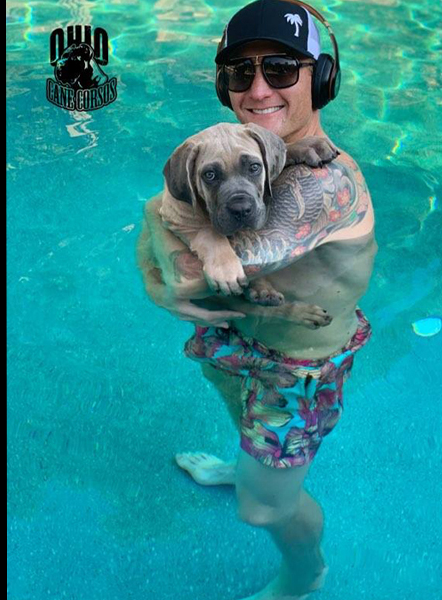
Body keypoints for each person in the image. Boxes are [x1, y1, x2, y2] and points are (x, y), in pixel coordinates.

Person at [136, 1, 377, 598]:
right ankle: (244, 463)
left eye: (281, 68)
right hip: (238, 334)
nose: (259, 88)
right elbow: (160, 211)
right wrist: (155, 245)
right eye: (241, 73)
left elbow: (188, 277)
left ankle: (304, 576)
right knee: (237, 418)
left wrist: (160, 271)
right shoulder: (252, 150)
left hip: (297, 367)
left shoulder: (322, 183)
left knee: (263, 508)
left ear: (322, 78)